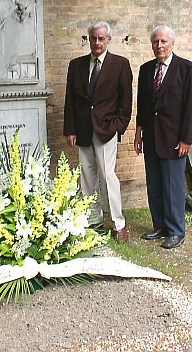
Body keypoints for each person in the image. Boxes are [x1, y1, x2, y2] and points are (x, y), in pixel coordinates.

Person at [64, 21, 133, 241]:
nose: (96, 42)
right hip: (82, 130)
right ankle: (91, 219)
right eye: (93, 38)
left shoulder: (120, 65)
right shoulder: (76, 65)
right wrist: (70, 129)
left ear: (108, 40)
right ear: (88, 39)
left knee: (107, 175)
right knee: (86, 175)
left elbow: (126, 101)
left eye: (101, 38)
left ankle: (118, 224)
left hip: (106, 129)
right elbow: (70, 100)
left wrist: (118, 127)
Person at [134, 26, 192, 249]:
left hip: (175, 139)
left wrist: (187, 139)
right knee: (154, 184)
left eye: (163, 41)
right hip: (151, 138)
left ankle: (175, 231)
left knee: (173, 186)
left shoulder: (187, 69)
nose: (159, 46)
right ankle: (160, 226)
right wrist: (138, 132)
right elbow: (143, 105)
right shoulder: (145, 70)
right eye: (155, 42)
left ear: (172, 43)